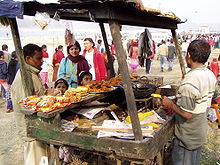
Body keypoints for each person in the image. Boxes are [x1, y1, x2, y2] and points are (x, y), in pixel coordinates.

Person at [162, 40, 218, 165]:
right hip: (199, 131)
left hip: (187, 136)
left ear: (188, 55)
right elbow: (214, 97)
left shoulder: (190, 80)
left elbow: (187, 114)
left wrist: (170, 104)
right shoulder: (210, 74)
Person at [11, 43, 59, 165]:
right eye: (38, 58)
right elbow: (26, 105)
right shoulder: (24, 77)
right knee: (36, 161)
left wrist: (47, 94)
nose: (42, 61)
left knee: (43, 160)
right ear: (28, 59)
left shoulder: (33, 74)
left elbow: (36, 96)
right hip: (31, 131)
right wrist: (48, 97)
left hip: (39, 128)